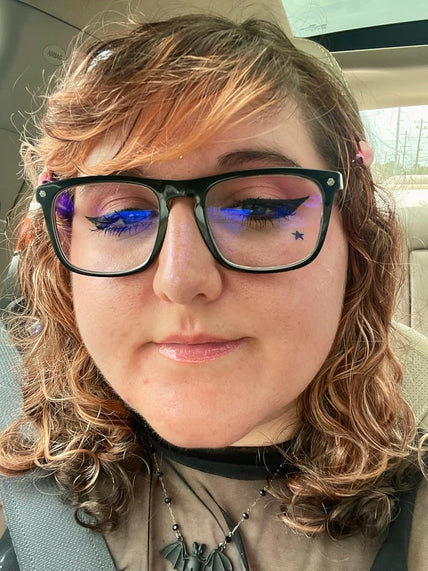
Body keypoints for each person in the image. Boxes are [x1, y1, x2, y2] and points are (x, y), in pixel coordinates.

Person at [0, 13, 426, 571]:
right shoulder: (18, 464)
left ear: (355, 234)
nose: (181, 280)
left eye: (257, 207)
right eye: (122, 215)